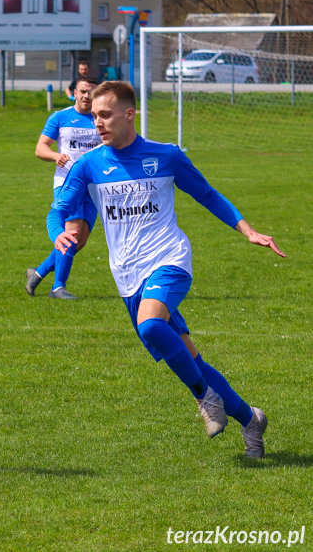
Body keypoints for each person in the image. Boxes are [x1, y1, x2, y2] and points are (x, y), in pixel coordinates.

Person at [48, 81, 284, 458]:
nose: (97, 123)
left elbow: (207, 194)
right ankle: (250, 419)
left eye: (105, 115)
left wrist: (248, 229)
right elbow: (59, 209)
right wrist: (58, 232)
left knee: (151, 325)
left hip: (169, 260)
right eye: (94, 116)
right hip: (127, 274)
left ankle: (203, 398)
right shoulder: (89, 164)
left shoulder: (167, 156)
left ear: (129, 114)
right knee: (191, 359)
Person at [27, 75, 101, 300]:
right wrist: (55, 155)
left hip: (95, 187)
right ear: (74, 93)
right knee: (72, 233)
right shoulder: (60, 117)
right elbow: (40, 148)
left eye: (91, 92)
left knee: (80, 241)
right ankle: (58, 288)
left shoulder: (100, 118)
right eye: (83, 91)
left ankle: (38, 273)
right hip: (67, 185)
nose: (87, 96)